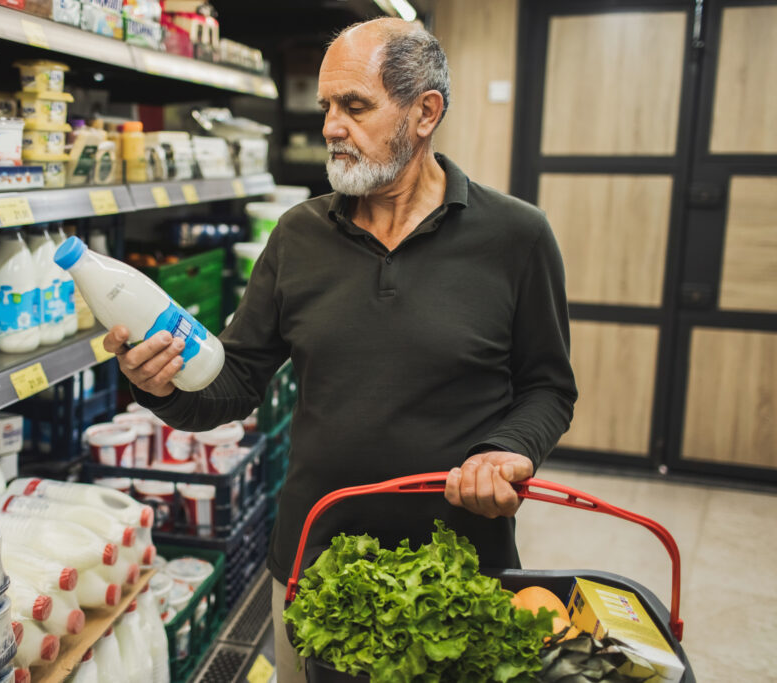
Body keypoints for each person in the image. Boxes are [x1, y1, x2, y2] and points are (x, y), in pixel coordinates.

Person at [105, 17, 578, 682]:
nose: (331, 125)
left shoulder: (517, 237)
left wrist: (510, 449)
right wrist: (158, 384)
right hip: (314, 562)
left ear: (424, 113)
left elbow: (548, 386)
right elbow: (236, 381)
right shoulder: (299, 236)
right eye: (328, 106)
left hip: (461, 569)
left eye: (355, 106)